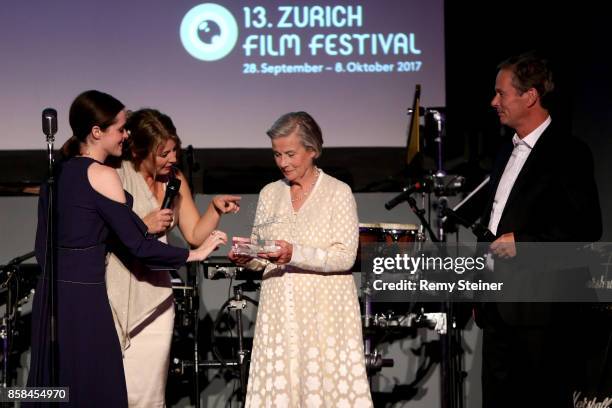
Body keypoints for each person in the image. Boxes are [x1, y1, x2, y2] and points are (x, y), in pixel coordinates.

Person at [27, 90, 227, 407]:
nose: (125, 135)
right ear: (97, 132)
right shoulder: (104, 175)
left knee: (54, 390)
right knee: (98, 390)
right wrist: (192, 255)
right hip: (86, 300)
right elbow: (138, 245)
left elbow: (42, 247)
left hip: (51, 299)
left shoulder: (56, 174)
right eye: (120, 128)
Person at [476, 53, 602, 407]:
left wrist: (525, 244)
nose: (494, 102)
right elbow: (494, 222)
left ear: (530, 96)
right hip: (498, 307)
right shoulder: (505, 153)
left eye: (501, 94)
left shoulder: (569, 152)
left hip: (542, 315)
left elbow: (586, 227)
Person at [228, 112, 373, 407]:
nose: (283, 162)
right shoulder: (270, 193)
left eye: (291, 154)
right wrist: (248, 256)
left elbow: (345, 256)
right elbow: (266, 255)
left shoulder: (337, 192)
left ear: (313, 150)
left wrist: (296, 253)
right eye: (277, 154)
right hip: (280, 313)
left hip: (325, 313)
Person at [105, 108, 240, 407]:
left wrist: (215, 210)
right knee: (115, 388)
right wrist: (144, 222)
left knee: (149, 392)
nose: (173, 158)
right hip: (116, 291)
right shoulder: (116, 174)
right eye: (163, 153)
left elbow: (194, 234)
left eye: (174, 149)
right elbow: (106, 231)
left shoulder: (174, 179)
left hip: (156, 297)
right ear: (139, 151)